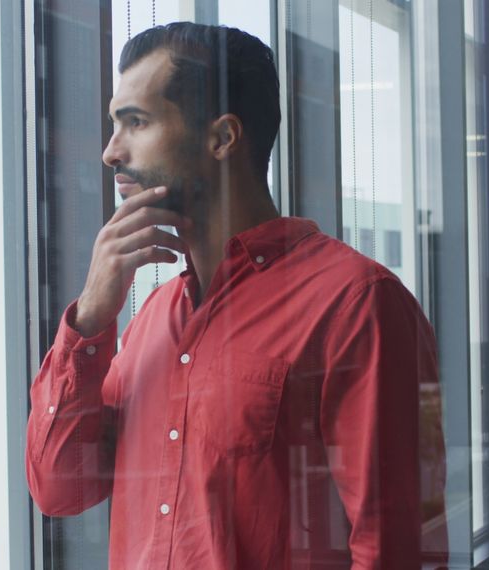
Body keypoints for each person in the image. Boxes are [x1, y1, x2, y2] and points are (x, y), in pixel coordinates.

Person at [25, 22, 446, 569]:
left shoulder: (356, 304)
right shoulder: (151, 318)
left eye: (136, 122)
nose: (110, 152)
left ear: (222, 137)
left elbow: (395, 547)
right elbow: (61, 491)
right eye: (115, 125)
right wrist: (89, 317)